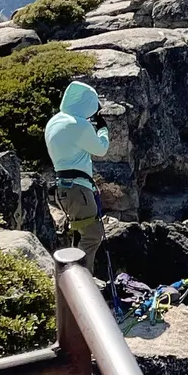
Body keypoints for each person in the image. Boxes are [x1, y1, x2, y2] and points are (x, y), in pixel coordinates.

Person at [44, 79, 111, 270]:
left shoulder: (55, 121)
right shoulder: (79, 125)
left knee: (79, 235)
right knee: (92, 236)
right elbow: (101, 149)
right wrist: (103, 129)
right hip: (78, 190)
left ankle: (70, 278)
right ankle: (82, 282)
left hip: (63, 188)